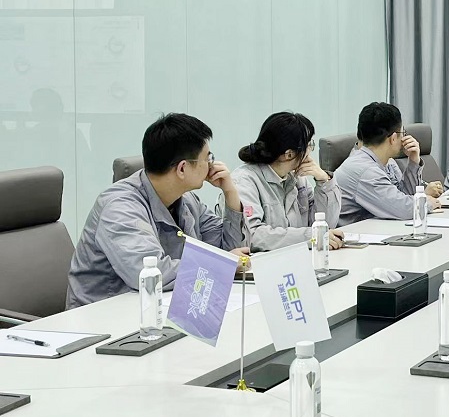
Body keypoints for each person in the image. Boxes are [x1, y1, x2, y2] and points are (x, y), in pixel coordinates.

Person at [66, 114, 249, 308]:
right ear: (182, 169)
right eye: (207, 158)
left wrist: (230, 193)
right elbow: (150, 274)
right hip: (104, 315)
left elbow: (233, 251)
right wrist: (222, 264)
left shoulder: (186, 199)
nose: (212, 165)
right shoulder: (120, 207)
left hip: (158, 307)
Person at [230, 112, 345, 252]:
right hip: (262, 262)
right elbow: (253, 236)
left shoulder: (297, 176)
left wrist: (324, 181)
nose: (310, 151)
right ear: (289, 154)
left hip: (297, 257)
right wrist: (310, 237)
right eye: (309, 145)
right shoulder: (244, 181)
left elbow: (325, 225)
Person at [335, 102, 442, 224]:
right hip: (353, 233)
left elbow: (403, 195)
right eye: (403, 133)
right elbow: (402, 209)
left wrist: (413, 161)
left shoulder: (387, 162)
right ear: (393, 138)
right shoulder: (365, 171)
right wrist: (426, 202)